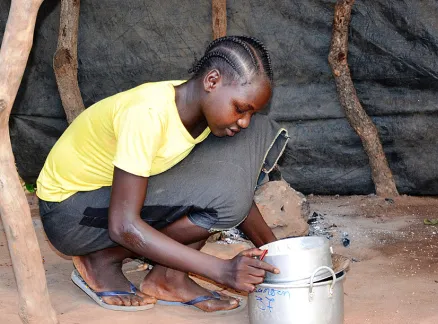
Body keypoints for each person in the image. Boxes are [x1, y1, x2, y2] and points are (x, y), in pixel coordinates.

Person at [36, 36, 288, 313]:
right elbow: (123, 225)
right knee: (222, 195)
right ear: (212, 81)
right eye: (240, 108)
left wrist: (283, 260)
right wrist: (221, 270)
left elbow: (235, 187)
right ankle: (103, 260)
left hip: (102, 201)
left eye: (250, 112)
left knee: (248, 147)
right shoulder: (148, 113)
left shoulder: (203, 113)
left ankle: (168, 277)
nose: (243, 121)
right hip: (70, 214)